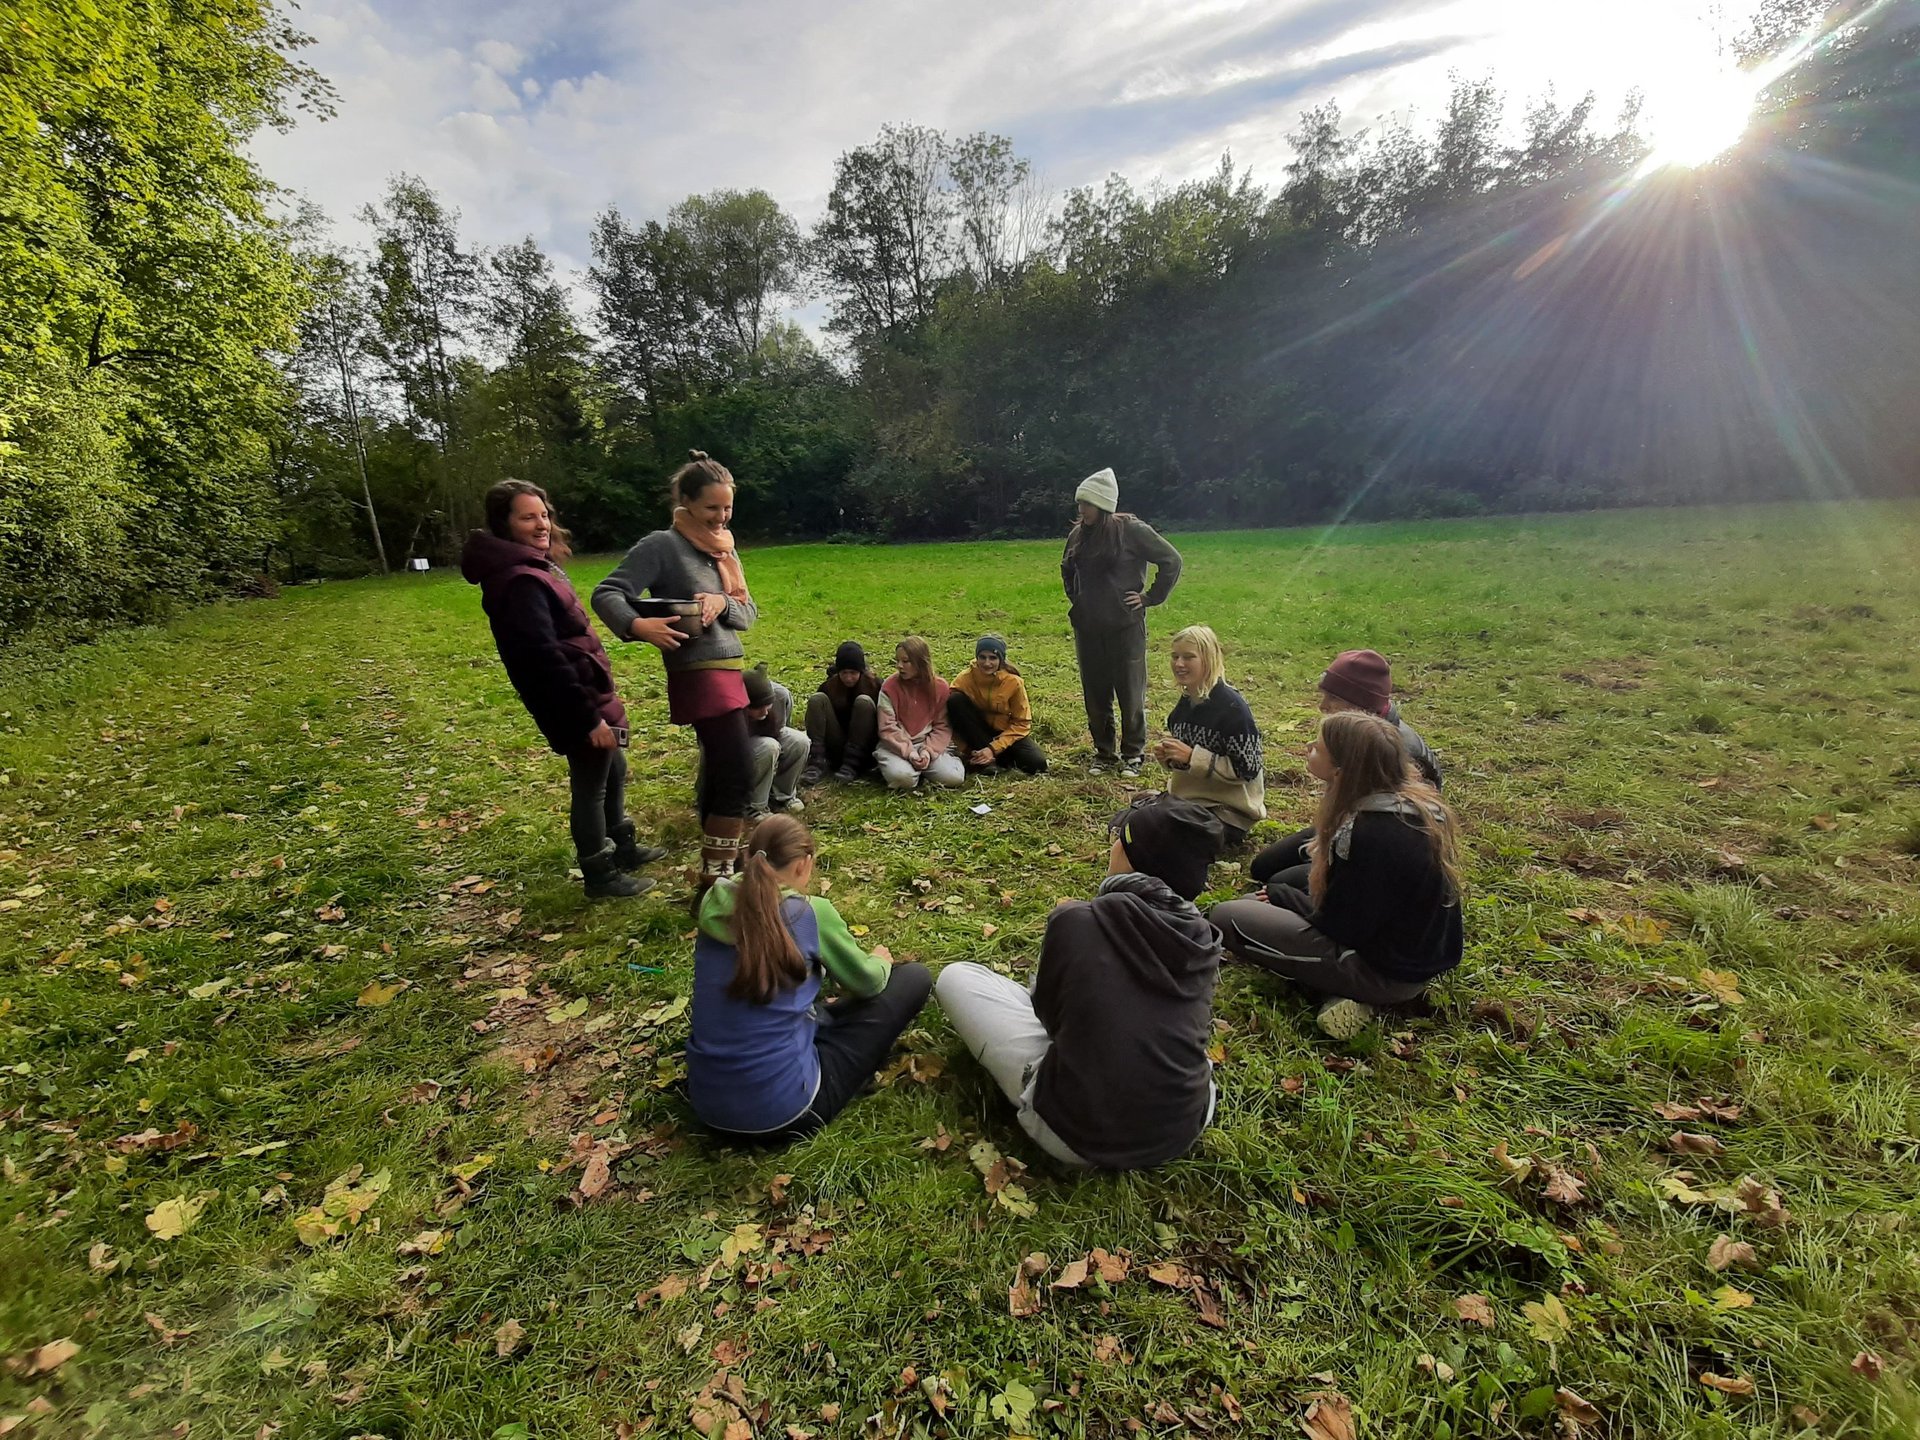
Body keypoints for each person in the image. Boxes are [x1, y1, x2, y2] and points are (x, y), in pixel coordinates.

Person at [936, 794, 1224, 1169]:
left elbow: (1049, 1021)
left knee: (956, 977)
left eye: (1120, 836)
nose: (1112, 843)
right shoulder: (1201, 936)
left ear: (1133, 858)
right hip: (1182, 1128)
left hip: (1075, 1136)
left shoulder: (1077, 920)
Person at [461, 480, 666, 900]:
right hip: (572, 700)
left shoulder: (536, 565)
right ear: (504, 523)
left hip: (586, 690)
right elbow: (542, 658)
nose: (541, 524)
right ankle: (600, 873)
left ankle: (622, 847)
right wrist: (586, 718)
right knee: (591, 783)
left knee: (614, 767)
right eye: (527, 516)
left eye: (543, 514)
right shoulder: (517, 581)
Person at [1211, 710, 1463, 1040]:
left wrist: (1283, 898)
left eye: (1317, 748)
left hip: (1387, 972)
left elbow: (1344, 926)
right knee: (1280, 883)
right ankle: (1340, 989)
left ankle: (1356, 994)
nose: (1307, 749)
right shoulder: (1410, 806)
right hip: (1406, 949)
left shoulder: (1373, 833)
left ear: (1341, 771)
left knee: (1229, 915)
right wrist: (1282, 890)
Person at [687, 817, 933, 1141]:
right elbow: (869, 983)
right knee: (914, 978)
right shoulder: (810, 913)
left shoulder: (712, 904)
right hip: (788, 1111)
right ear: (804, 865)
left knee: (810, 1009)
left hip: (707, 1104)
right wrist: (880, 960)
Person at [592, 451, 757, 897]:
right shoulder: (662, 546)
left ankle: (722, 865)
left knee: (725, 769)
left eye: (727, 509)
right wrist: (637, 626)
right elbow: (608, 592)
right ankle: (716, 877)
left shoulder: (724, 550)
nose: (721, 517)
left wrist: (723, 602)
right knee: (737, 771)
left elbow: (748, 613)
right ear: (684, 501)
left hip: (729, 670)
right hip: (699, 675)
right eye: (711, 508)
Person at [1249, 648, 1442, 893]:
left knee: (1280, 883)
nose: (1322, 706)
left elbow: (1398, 833)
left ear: (1359, 706)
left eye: (1333, 698)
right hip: (1345, 823)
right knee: (1263, 867)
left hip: (1370, 847)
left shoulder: (1402, 754)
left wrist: (1334, 855)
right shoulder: (1355, 735)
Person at [1061, 466, 1182, 777]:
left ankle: (1133, 754)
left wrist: (1150, 597)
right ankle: (1104, 753)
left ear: (1102, 505)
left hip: (1125, 626)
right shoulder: (1078, 535)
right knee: (1095, 693)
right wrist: (1078, 598)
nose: (1081, 510)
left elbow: (1171, 560)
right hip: (1088, 627)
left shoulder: (1131, 530)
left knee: (1130, 692)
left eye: (1086, 504)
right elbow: (1066, 569)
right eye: (1080, 504)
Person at [1151, 624, 1265, 847]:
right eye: (1174, 656)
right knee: (1135, 817)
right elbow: (1190, 764)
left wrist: (1193, 757)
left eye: (1188, 657)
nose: (1179, 664)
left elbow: (1248, 769)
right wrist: (1170, 757)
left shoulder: (1233, 710)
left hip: (1226, 812)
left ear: (1208, 659)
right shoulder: (1185, 705)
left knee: (1157, 832)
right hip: (1190, 802)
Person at [947, 635, 1048, 776]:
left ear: (1001, 659)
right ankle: (980, 757)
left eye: (992, 658)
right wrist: (964, 748)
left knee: (1037, 764)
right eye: (982, 657)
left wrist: (993, 748)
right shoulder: (965, 678)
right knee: (954, 700)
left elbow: (1022, 723)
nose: (987, 663)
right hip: (976, 732)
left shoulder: (1014, 683)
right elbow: (951, 715)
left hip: (1005, 734)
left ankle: (992, 758)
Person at [875, 637, 965, 790]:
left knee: (954, 778)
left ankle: (933, 765)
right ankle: (907, 769)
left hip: (927, 743)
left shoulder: (940, 687)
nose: (899, 666)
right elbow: (887, 727)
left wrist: (928, 752)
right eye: (897, 661)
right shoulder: (889, 687)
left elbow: (942, 726)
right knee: (904, 779)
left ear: (920, 662)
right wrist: (909, 752)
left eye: (906, 661)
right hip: (897, 745)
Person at [801, 641, 881, 785]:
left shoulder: (875, 686)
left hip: (866, 746)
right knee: (817, 700)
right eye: (844, 673)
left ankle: (853, 764)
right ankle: (817, 760)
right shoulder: (829, 686)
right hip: (838, 743)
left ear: (861, 671)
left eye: (853, 673)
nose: (848, 678)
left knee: (864, 702)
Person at [742, 665, 810, 818]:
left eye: (768, 705)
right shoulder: (730, 716)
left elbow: (779, 730)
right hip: (738, 750)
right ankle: (754, 807)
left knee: (799, 741)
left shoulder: (776, 699)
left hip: (760, 737)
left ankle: (782, 795)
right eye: (759, 708)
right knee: (769, 747)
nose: (765, 711)